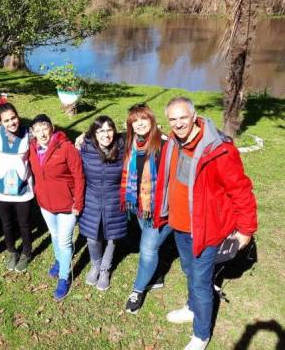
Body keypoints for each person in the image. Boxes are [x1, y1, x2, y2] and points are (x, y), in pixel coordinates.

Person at [153, 96, 257, 350]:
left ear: (194, 115)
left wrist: (245, 229)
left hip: (206, 229)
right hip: (180, 225)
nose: (178, 124)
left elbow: (240, 190)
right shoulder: (172, 143)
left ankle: (201, 334)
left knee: (200, 281)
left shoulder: (219, 149)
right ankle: (192, 307)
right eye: (173, 119)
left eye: (183, 117)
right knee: (190, 271)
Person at [28, 114, 85, 301]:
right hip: (45, 204)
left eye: (45, 128)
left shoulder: (66, 148)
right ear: (33, 133)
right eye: (37, 130)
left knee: (65, 241)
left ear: (52, 127)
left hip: (67, 205)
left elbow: (79, 176)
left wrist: (78, 203)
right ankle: (60, 260)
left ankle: (64, 277)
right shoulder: (32, 148)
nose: (42, 133)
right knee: (54, 235)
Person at [122, 103, 172, 314]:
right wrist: (82, 139)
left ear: (151, 119)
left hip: (159, 209)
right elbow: (100, 136)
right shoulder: (130, 143)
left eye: (143, 118)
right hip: (140, 207)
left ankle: (138, 290)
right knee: (151, 244)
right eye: (135, 120)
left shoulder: (165, 145)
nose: (139, 123)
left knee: (148, 249)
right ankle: (157, 275)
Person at [79, 116, 127, 291]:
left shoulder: (123, 148)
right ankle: (95, 264)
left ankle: (105, 269)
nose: (105, 135)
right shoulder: (85, 148)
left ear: (114, 131)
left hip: (114, 200)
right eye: (100, 131)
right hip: (91, 198)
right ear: (94, 133)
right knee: (92, 237)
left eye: (109, 130)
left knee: (112, 237)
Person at [0, 101, 34, 272]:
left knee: (24, 224)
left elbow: (48, 138)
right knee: (7, 224)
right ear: (0, 122)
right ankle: (12, 251)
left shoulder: (29, 134)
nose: (11, 123)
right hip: (2, 190)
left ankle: (26, 252)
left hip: (23, 189)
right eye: (6, 120)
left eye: (13, 118)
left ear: (18, 116)